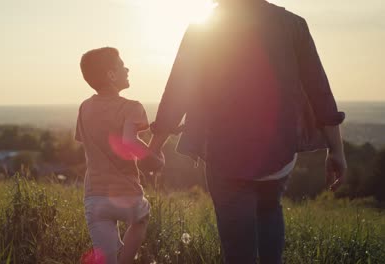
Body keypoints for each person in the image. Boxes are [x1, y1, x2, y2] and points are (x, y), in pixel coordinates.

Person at [148, 1, 347, 263]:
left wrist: (153, 147)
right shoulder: (294, 25)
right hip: (279, 152)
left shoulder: (203, 29)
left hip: (224, 152)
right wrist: (337, 150)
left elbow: (177, 91)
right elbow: (320, 91)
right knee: (269, 210)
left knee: (237, 246)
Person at [76, 47, 163, 264]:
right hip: (127, 194)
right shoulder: (131, 107)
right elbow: (129, 141)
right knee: (141, 218)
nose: (127, 68)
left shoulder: (84, 108)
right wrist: (155, 160)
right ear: (111, 75)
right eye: (122, 65)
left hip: (94, 197)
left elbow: (88, 140)